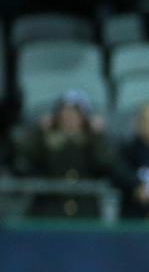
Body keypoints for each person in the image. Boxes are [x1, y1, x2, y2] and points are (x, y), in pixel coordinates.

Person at [14, 90, 119, 218]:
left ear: (84, 118)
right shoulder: (45, 141)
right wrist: (39, 132)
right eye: (65, 114)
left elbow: (105, 164)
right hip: (48, 210)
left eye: (75, 114)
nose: (69, 118)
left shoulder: (92, 142)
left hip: (85, 210)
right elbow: (25, 159)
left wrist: (97, 136)